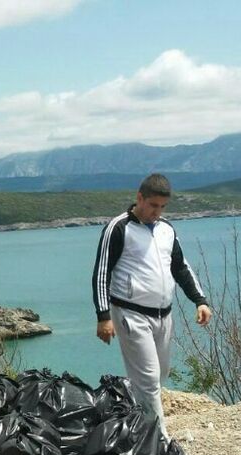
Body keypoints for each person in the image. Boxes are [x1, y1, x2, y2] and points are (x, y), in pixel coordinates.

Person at [91, 174, 212, 440]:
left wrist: (199, 300)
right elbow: (102, 273)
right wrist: (103, 316)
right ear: (139, 198)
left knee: (160, 375)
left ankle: (135, 422)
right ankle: (159, 440)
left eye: (162, 207)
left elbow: (180, 267)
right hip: (130, 314)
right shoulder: (119, 228)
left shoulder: (167, 229)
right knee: (147, 378)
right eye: (153, 205)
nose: (157, 212)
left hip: (163, 315)